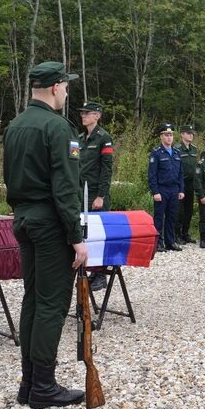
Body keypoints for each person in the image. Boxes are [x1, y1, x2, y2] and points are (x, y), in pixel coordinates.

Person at [3, 61, 86, 409]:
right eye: (66, 86)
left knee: (33, 301)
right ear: (55, 87)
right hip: (51, 224)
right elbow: (65, 188)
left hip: (23, 219)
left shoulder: (15, 125)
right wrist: (76, 236)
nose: (67, 91)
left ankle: (29, 383)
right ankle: (43, 387)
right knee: (52, 305)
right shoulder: (57, 128)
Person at [77, 101, 113, 291]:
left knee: (98, 235)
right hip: (80, 193)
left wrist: (101, 195)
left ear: (97, 116)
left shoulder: (103, 138)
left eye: (87, 113)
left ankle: (100, 274)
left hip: (96, 194)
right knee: (84, 235)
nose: (83, 116)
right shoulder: (80, 138)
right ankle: (89, 270)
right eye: (82, 113)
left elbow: (107, 169)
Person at [148, 124, 185, 252]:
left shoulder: (177, 152)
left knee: (172, 217)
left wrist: (181, 189)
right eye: (166, 135)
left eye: (171, 135)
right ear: (161, 137)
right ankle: (158, 243)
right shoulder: (156, 153)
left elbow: (181, 173)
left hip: (174, 189)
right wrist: (155, 192)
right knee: (159, 218)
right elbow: (152, 175)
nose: (169, 138)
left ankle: (170, 241)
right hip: (162, 190)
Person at [176, 125, 198, 245]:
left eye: (192, 133)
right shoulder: (177, 149)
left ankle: (185, 233)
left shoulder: (194, 149)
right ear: (182, 134)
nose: (191, 135)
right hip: (181, 183)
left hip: (191, 183)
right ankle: (177, 234)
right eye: (188, 133)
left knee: (189, 210)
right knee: (179, 211)